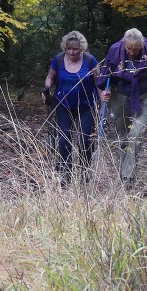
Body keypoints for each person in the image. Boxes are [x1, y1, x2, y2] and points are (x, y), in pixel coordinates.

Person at [97, 27, 147, 189]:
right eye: (129, 49)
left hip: (145, 97)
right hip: (120, 96)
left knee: (134, 135)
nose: (132, 52)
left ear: (141, 46)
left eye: (136, 49)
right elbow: (104, 76)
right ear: (124, 45)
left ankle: (128, 179)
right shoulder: (115, 50)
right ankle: (124, 173)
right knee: (123, 138)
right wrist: (105, 92)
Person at [42, 31, 100, 186]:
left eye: (75, 49)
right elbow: (50, 77)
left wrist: (102, 102)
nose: (72, 52)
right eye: (69, 49)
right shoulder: (58, 59)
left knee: (85, 140)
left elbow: (98, 83)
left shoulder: (90, 60)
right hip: (63, 105)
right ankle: (64, 176)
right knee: (64, 141)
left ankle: (85, 174)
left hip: (86, 106)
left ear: (81, 49)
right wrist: (46, 88)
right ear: (65, 48)